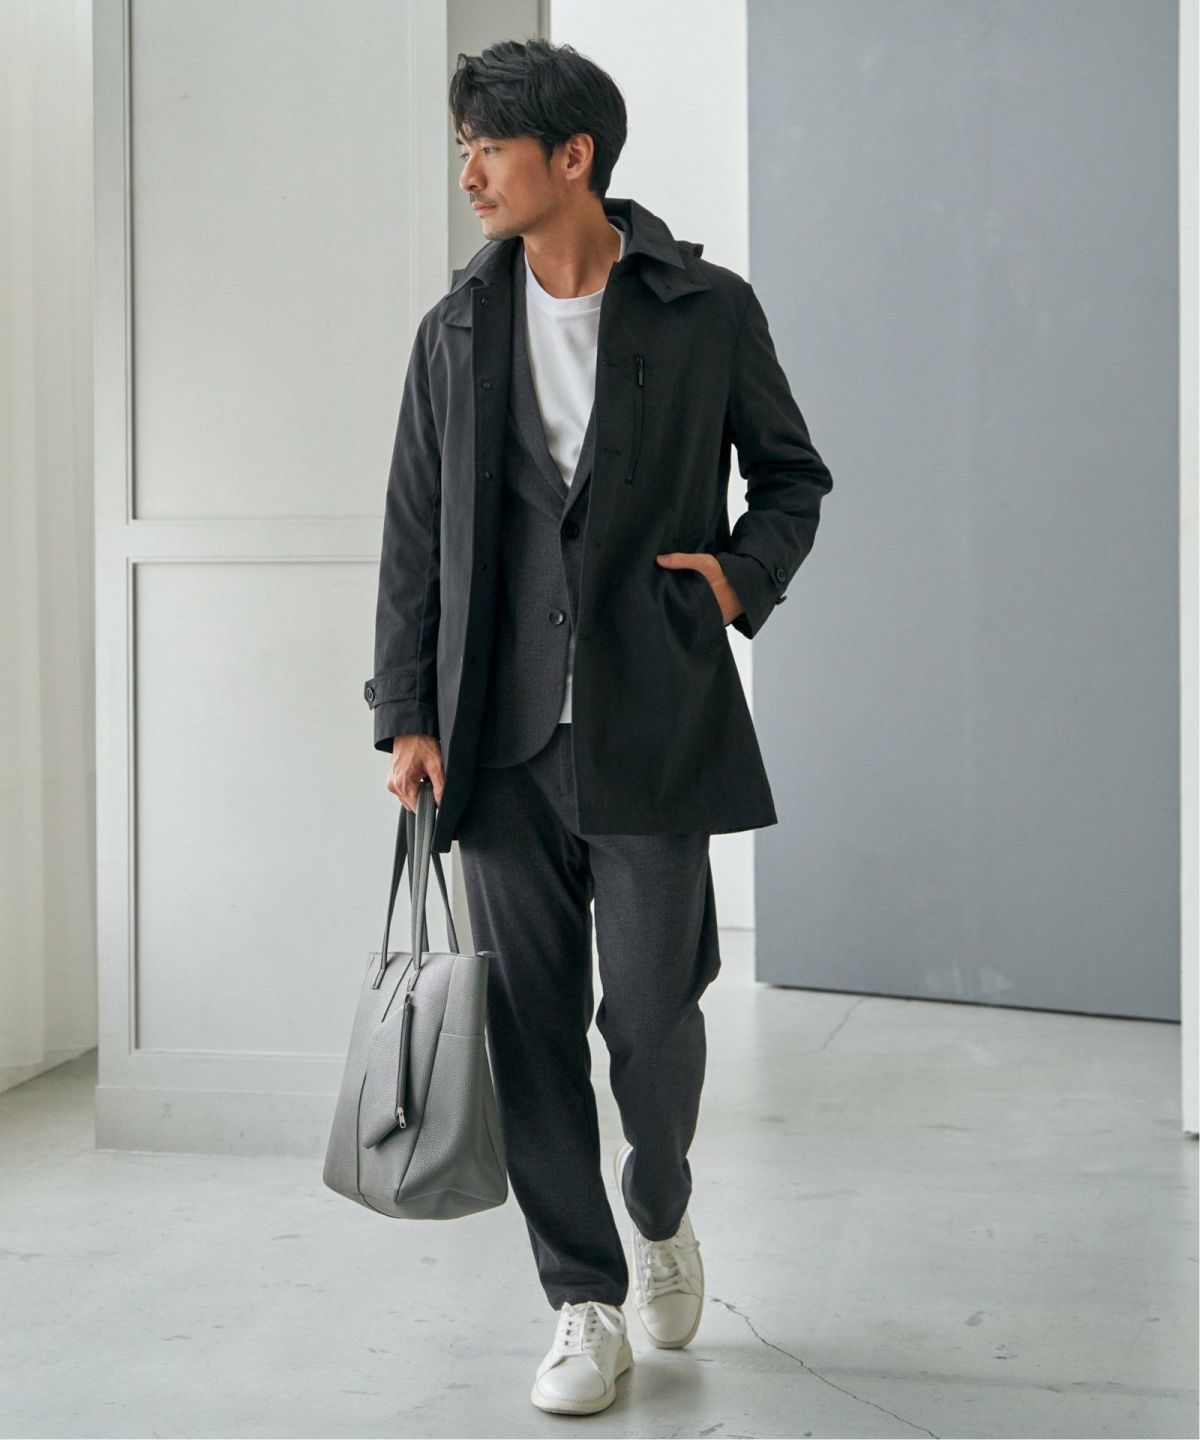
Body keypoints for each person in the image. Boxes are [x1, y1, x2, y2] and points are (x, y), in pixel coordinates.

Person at [364, 37, 833, 1417]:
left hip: (653, 716)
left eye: (491, 147)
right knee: (529, 1029)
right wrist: (406, 712)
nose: (469, 173)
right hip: (495, 737)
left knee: (650, 1015)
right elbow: (413, 535)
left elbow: (793, 478)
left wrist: (736, 579)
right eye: (463, 147)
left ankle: (661, 1200)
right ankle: (584, 1297)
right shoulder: (454, 330)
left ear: (573, 157)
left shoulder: (707, 309)